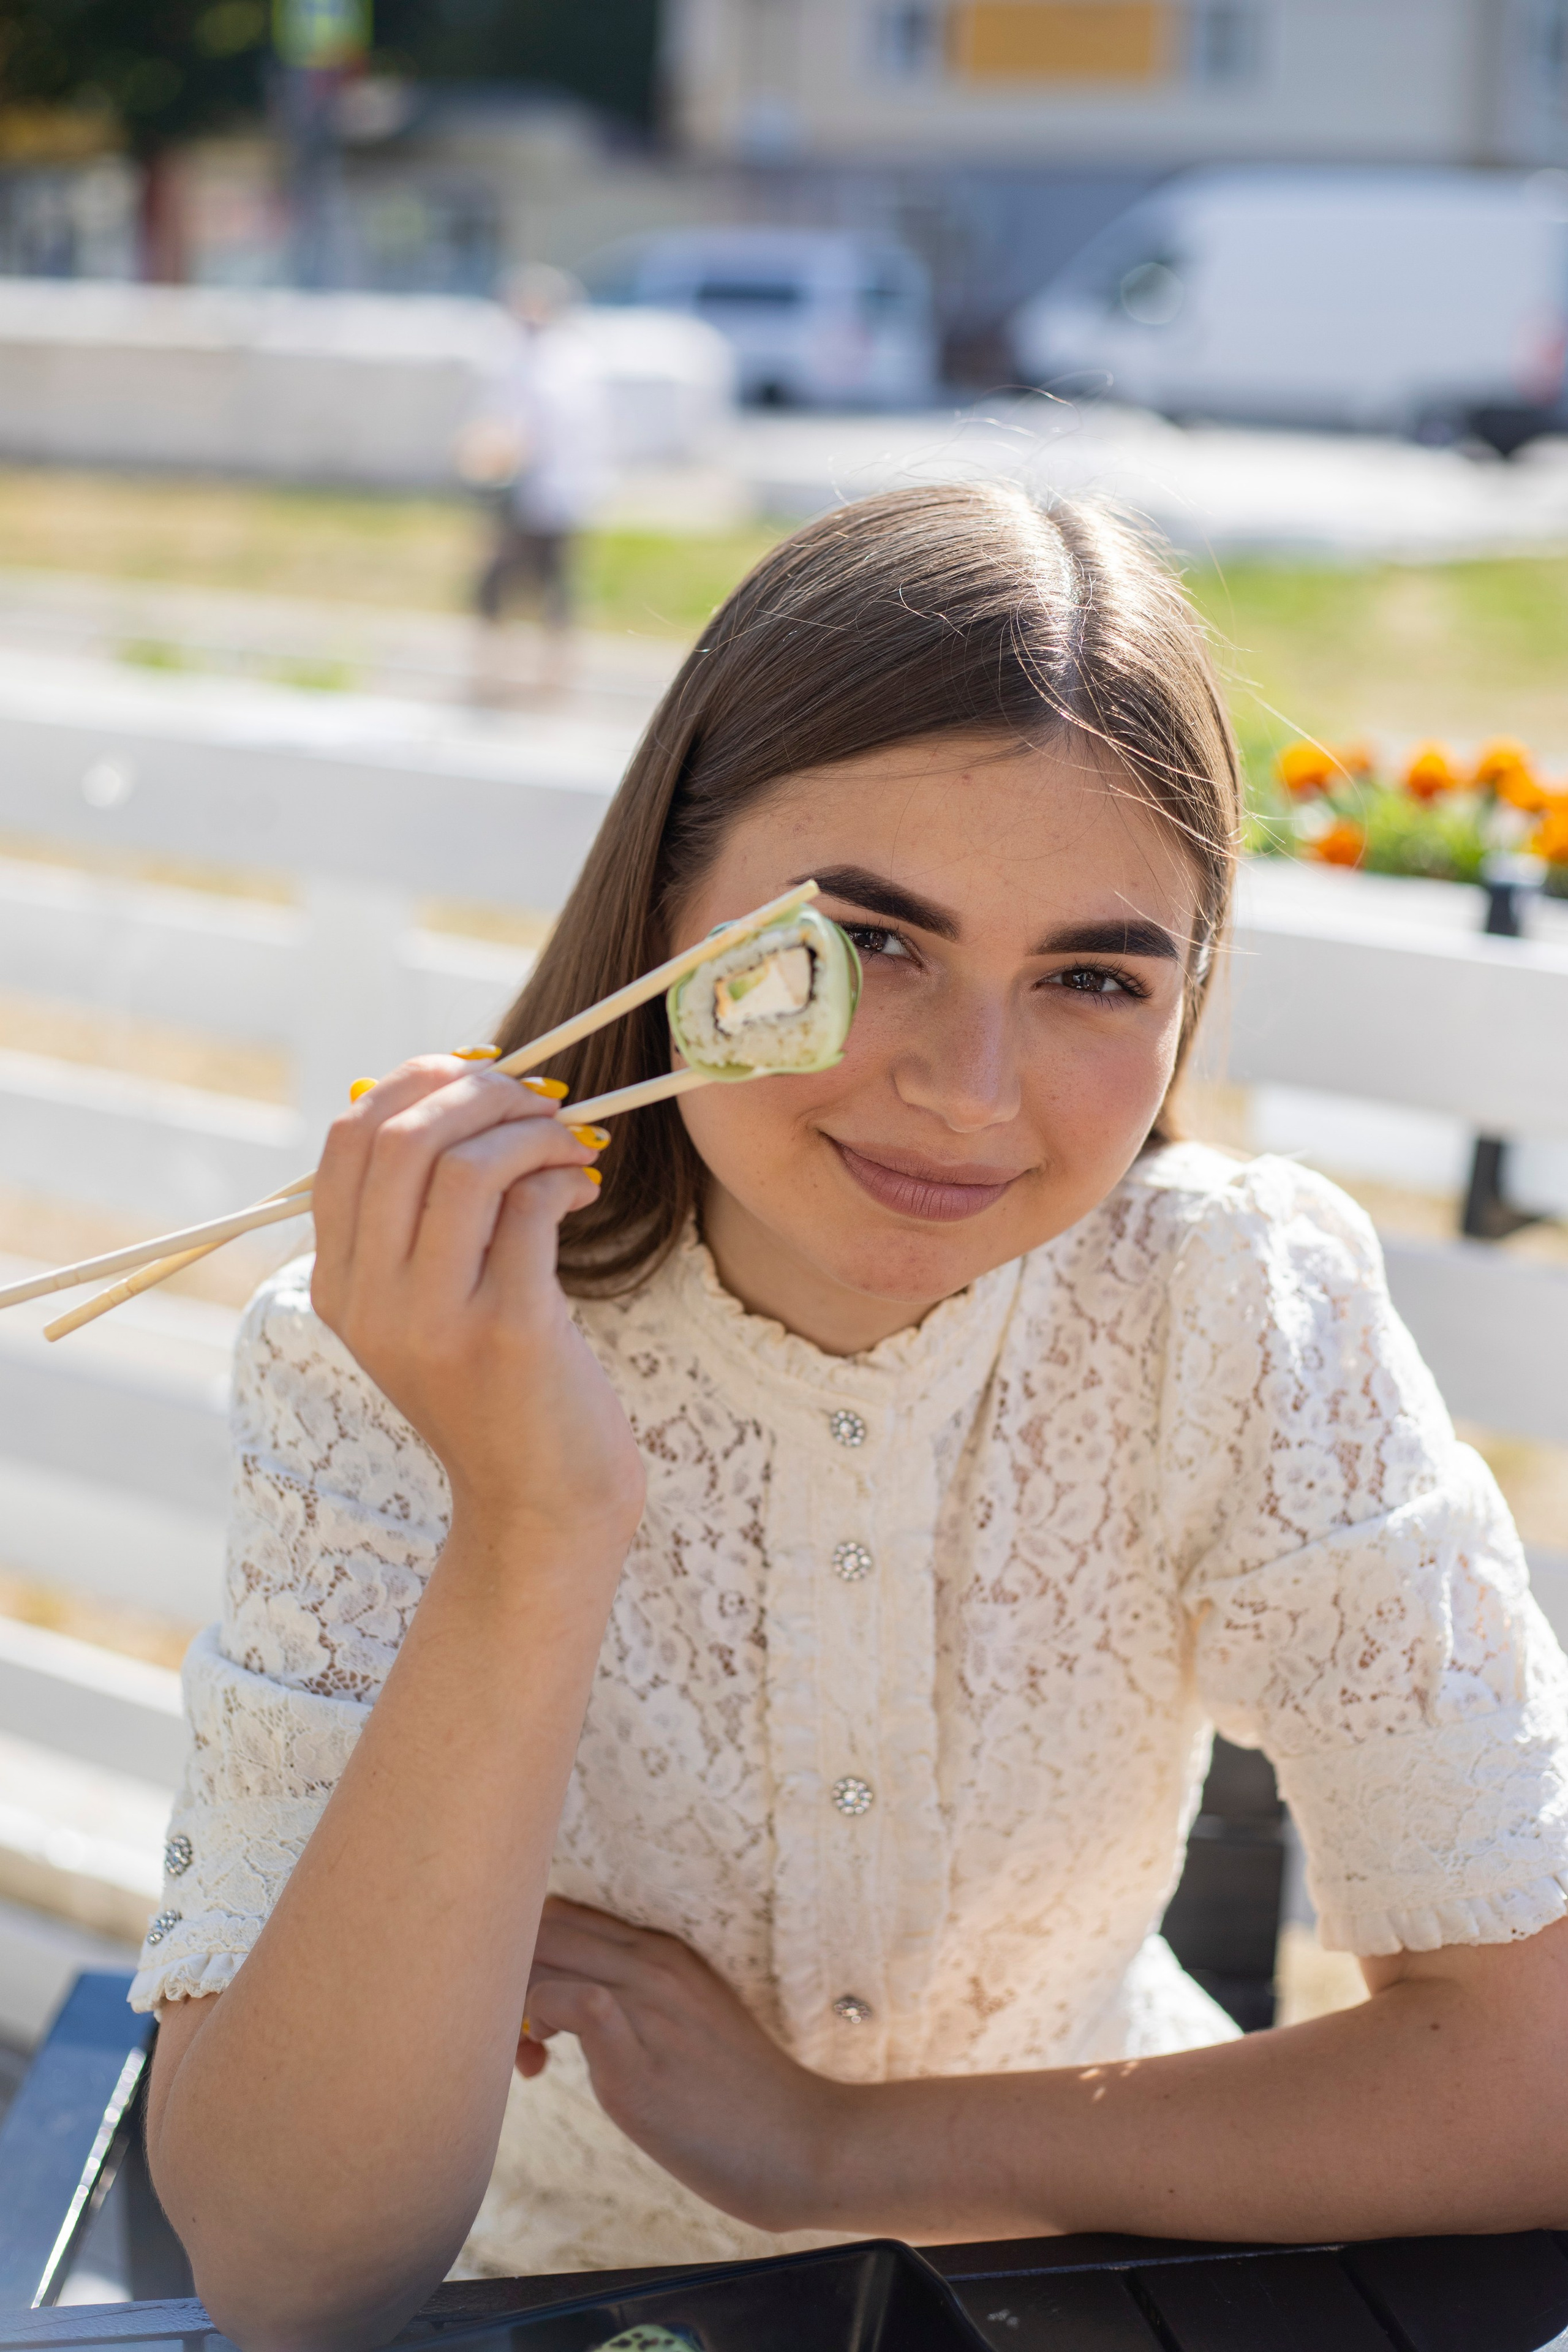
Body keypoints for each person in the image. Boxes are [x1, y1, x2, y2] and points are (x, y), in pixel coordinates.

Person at [141, 486, 1568, 2351]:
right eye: (869, 942)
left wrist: (827, 2148)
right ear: (667, 906)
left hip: (1090, 2290)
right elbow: (290, 2267)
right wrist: (535, 1521)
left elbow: (1530, 2070)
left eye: (1090, 976)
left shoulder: (1230, 1298)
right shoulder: (390, 1353)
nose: (967, 1091)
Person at [462, 263, 609, 701]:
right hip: (529, 487)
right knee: (508, 579)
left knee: (545, 579)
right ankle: (503, 665)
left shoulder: (563, 362)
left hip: (548, 489)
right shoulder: (520, 354)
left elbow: (536, 426)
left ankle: (548, 670)